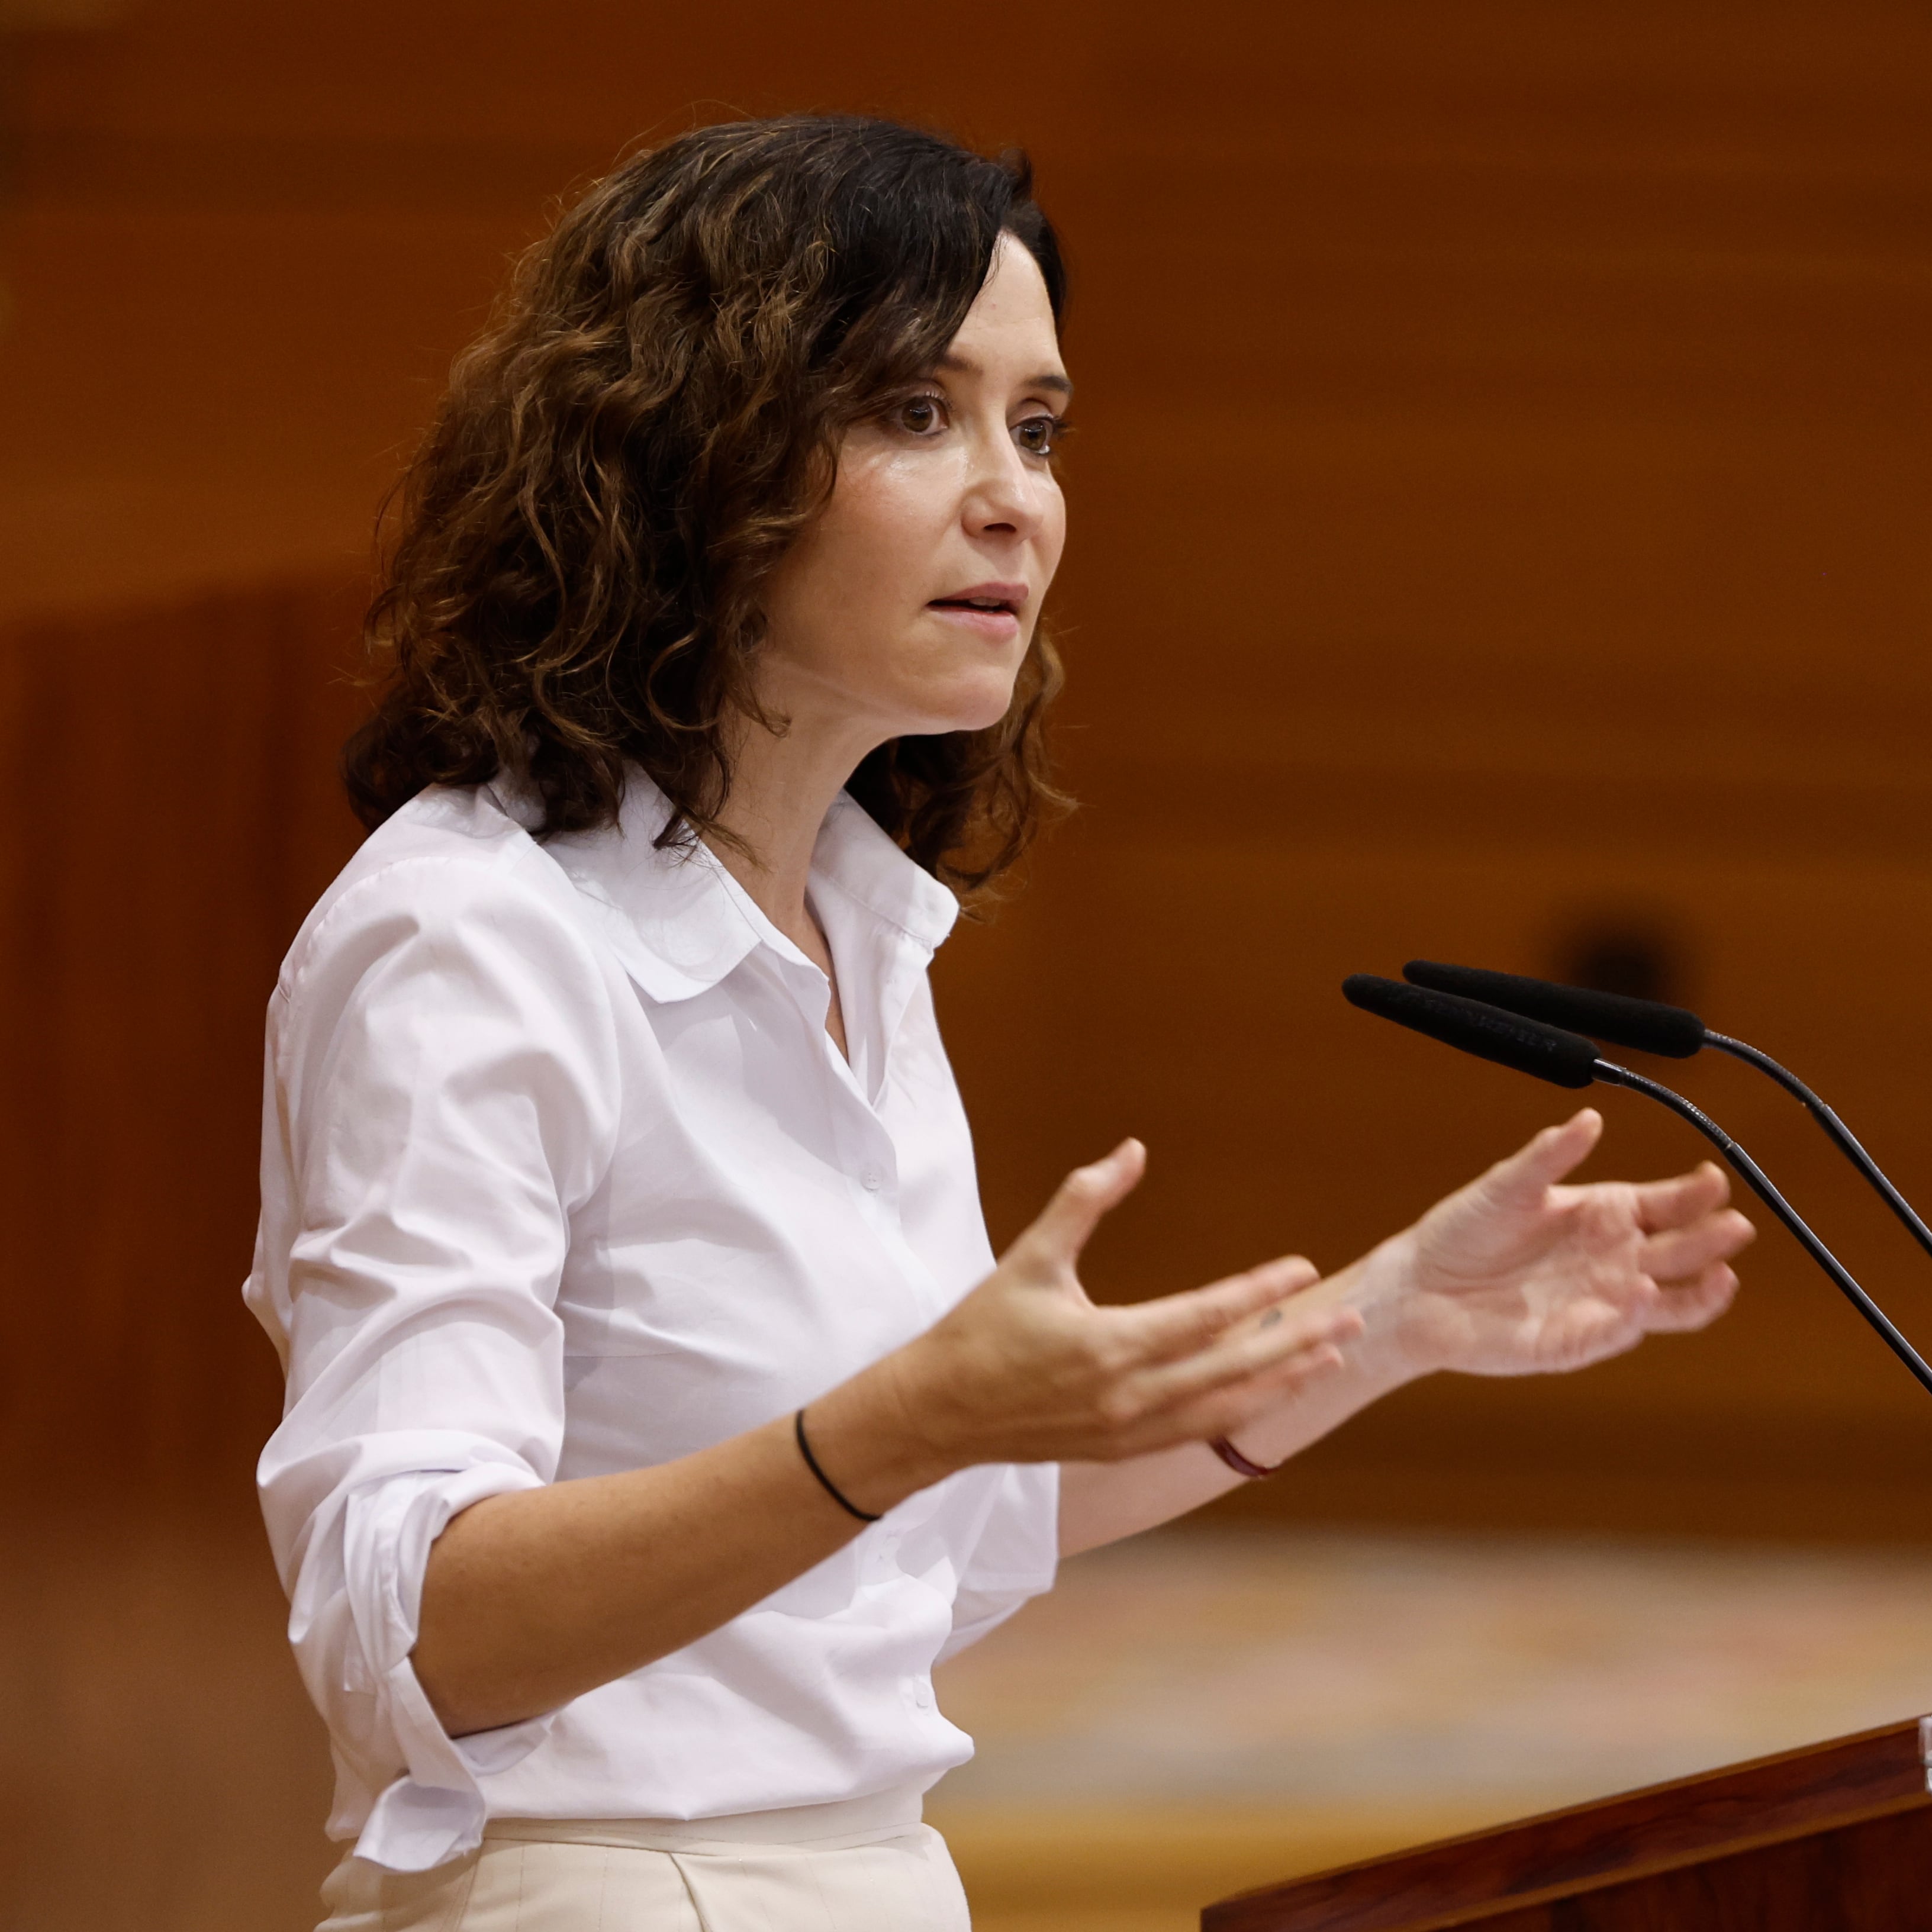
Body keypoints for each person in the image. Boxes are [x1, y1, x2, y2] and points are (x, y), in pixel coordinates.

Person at [245, 115, 1756, 1931]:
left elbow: (948, 1525)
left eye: (1036, 429)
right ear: (688, 459)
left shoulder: (853, 918)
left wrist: (1392, 1317)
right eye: (915, 412)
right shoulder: (473, 939)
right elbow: (408, 1630)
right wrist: (898, 1426)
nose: (1013, 499)